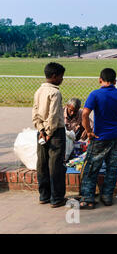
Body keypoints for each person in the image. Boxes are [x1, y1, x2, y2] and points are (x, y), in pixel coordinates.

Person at [79, 68, 117, 209]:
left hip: (99, 136)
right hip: (116, 135)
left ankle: (87, 198)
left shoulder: (95, 94)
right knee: (112, 167)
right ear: (115, 81)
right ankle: (107, 196)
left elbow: (85, 114)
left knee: (92, 166)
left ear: (100, 80)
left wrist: (88, 131)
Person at [31, 62, 67, 208]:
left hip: (40, 132)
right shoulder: (55, 92)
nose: (62, 79)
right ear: (54, 76)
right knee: (56, 165)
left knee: (42, 164)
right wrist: (49, 133)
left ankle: (44, 195)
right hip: (55, 132)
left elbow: (35, 112)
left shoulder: (39, 91)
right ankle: (57, 197)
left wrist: (41, 130)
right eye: (61, 76)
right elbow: (52, 116)